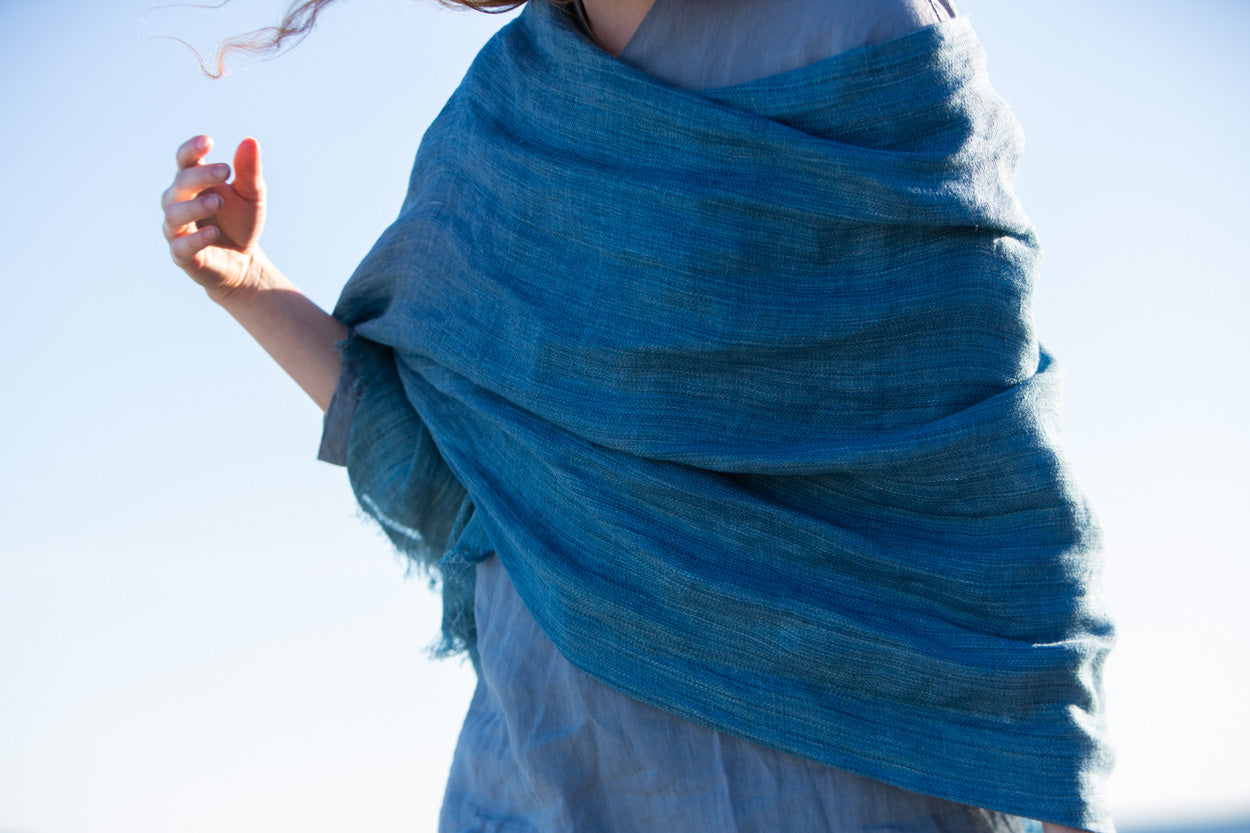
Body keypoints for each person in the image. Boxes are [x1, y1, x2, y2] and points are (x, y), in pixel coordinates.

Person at [161, 1, 1114, 831]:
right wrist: (248, 284)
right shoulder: (496, 123)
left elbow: (994, 485)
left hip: (833, 787)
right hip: (529, 780)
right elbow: (457, 470)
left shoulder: (860, 26)